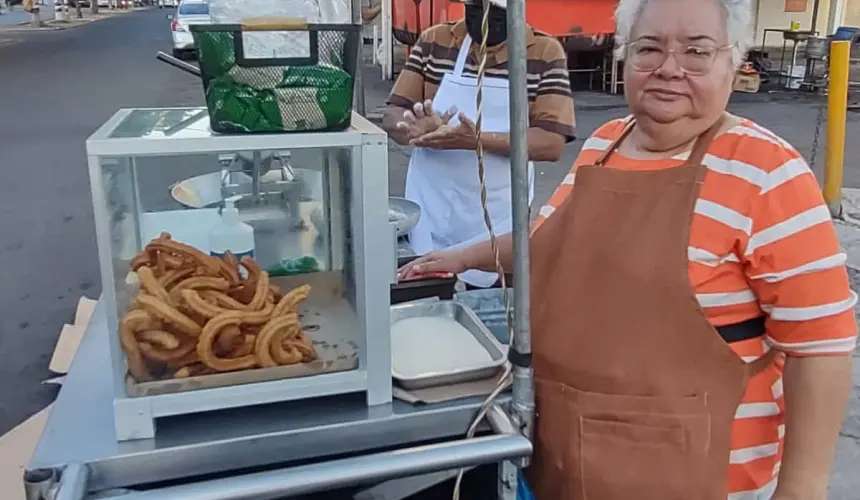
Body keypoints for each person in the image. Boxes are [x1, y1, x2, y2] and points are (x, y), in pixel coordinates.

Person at [399, 0, 857, 497]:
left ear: (733, 61)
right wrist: (467, 256)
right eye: (649, 48)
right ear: (624, 57)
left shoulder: (769, 172)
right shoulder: (607, 143)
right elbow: (550, 240)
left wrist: (802, 488)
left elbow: (822, 347)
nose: (669, 69)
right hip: (568, 462)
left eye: (697, 51)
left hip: (700, 478)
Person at [382, 0, 574, 289]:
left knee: (491, 313)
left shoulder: (543, 53)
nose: (482, 21)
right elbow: (393, 114)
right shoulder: (435, 41)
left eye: (495, 13)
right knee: (429, 300)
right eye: (474, 9)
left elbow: (550, 143)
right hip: (430, 214)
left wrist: (476, 141)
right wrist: (412, 127)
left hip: (497, 226)